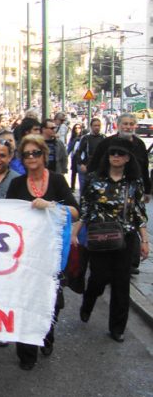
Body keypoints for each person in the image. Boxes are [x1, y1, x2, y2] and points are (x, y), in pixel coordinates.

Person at [6, 134, 78, 371]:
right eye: (26, 154)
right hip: (25, 252)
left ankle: (47, 333)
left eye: (35, 153)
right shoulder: (17, 184)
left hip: (52, 252)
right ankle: (27, 352)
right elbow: (7, 217)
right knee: (25, 298)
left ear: (44, 155)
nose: (31, 158)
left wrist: (51, 206)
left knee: (51, 300)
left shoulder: (57, 181)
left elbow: (75, 212)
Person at [74, 137, 148, 342]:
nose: (116, 156)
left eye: (120, 154)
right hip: (99, 236)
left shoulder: (134, 182)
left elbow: (139, 212)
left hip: (125, 238)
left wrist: (144, 240)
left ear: (127, 159)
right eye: (112, 153)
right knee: (99, 278)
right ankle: (88, 300)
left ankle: (117, 328)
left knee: (121, 283)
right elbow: (86, 209)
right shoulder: (94, 180)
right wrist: (75, 232)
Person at [87, 113, 151, 275]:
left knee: (133, 225)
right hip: (110, 192)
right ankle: (111, 258)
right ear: (118, 125)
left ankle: (130, 262)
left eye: (131, 124)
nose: (128, 127)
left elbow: (144, 169)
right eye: (125, 124)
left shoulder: (140, 144)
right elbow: (93, 166)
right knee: (115, 226)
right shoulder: (107, 143)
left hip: (133, 191)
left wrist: (148, 191)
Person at [76, 118, 104, 192]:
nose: (97, 127)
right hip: (87, 167)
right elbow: (78, 152)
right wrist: (81, 164)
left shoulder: (103, 138)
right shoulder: (86, 138)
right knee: (84, 190)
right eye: (95, 125)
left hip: (99, 168)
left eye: (98, 125)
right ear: (91, 126)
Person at [66, 123, 83, 191]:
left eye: (79, 128)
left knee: (80, 173)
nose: (77, 129)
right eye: (76, 128)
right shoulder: (72, 138)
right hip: (74, 157)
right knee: (73, 172)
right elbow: (69, 148)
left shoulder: (83, 137)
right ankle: (72, 187)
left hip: (80, 157)